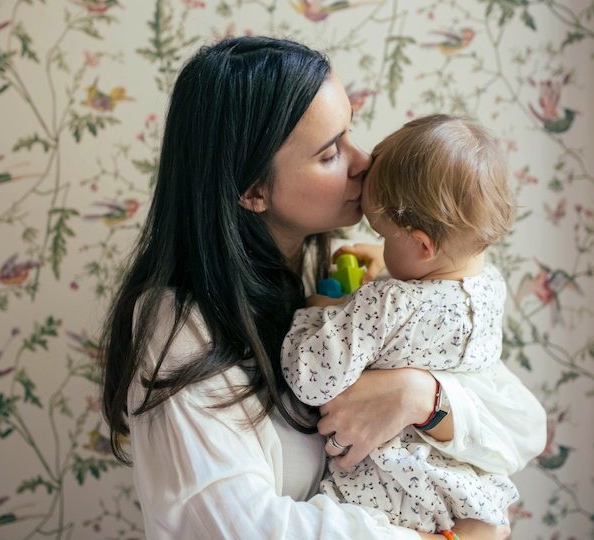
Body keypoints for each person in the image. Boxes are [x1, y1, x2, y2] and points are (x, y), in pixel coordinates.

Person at [101, 36, 513, 540]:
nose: (363, 161)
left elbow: (524, 426)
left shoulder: (339, 282)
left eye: (351, 134)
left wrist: (418, 396)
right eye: (329, 152)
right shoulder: (178, 325)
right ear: (253, 190)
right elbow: (243, 527)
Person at [282, 115, 547, 535]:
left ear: (423, 245)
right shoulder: (488, 289)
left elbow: (310, 377)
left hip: (391, 494)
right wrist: (388, 260)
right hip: (465, 494)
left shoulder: (388, 304)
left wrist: (319, 311)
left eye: (384, 235)